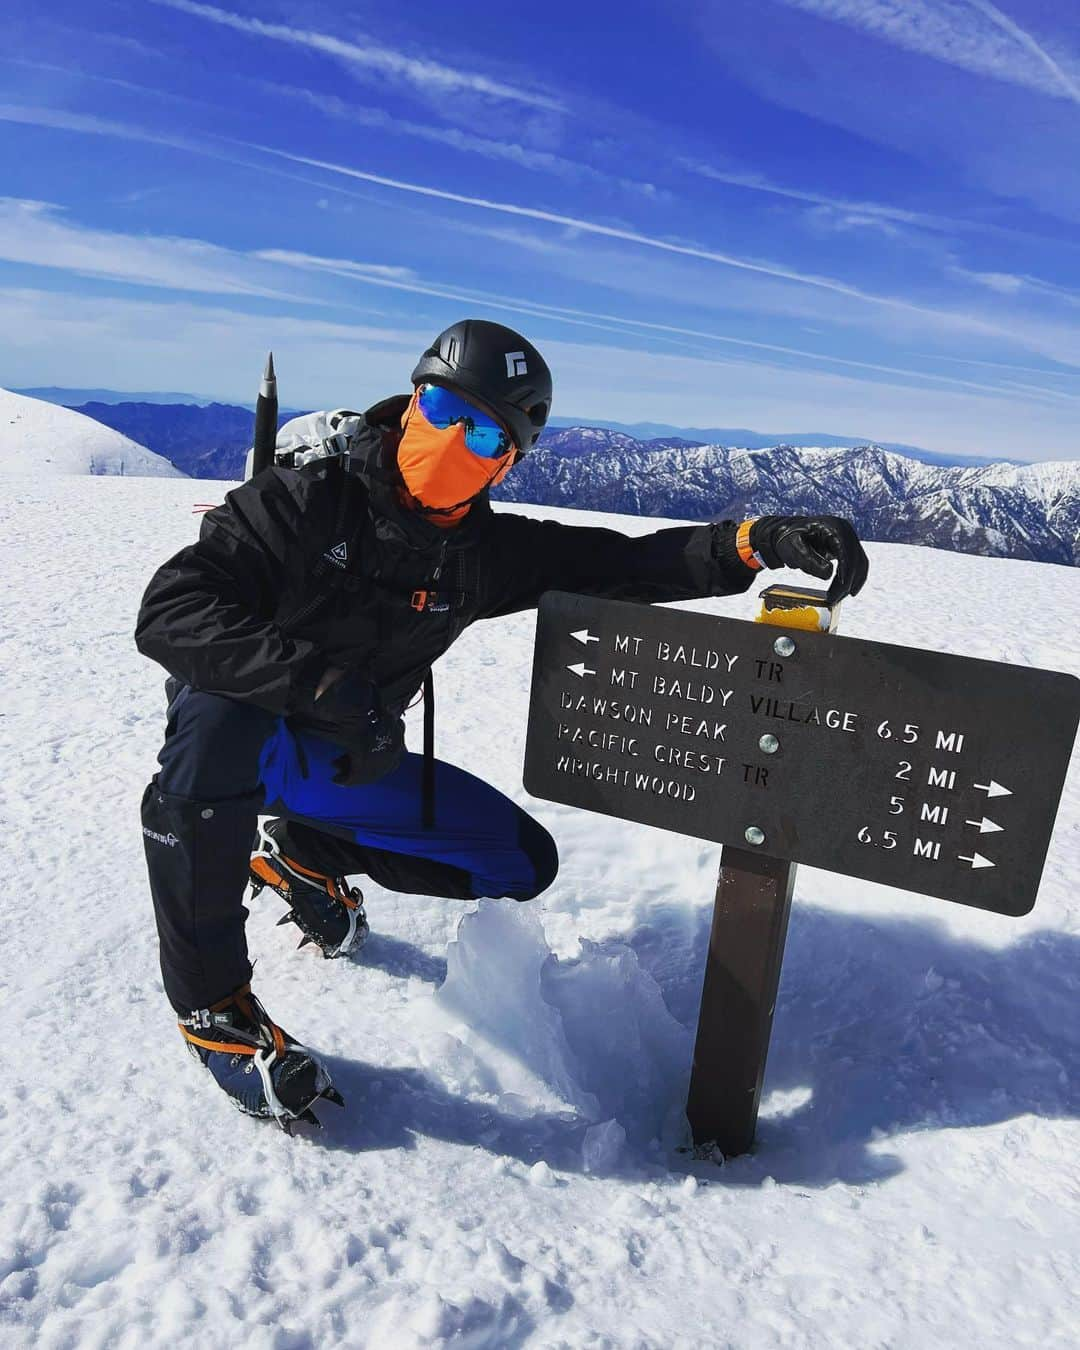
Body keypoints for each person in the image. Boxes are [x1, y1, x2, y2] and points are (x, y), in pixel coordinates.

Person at [135, 318, 869, 1130]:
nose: (457, 441)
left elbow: (619, 564)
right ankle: (214, 1007)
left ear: (509, 462)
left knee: (519, 861)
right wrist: (321, 684)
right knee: (213, 723)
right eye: (446, 410)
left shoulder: (479, 554)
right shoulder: (304, 502)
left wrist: (753, 544)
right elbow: (173, 611)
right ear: (413, 400)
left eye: (487, 433)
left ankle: (303, 856)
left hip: (348, 761)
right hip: (250, 750)